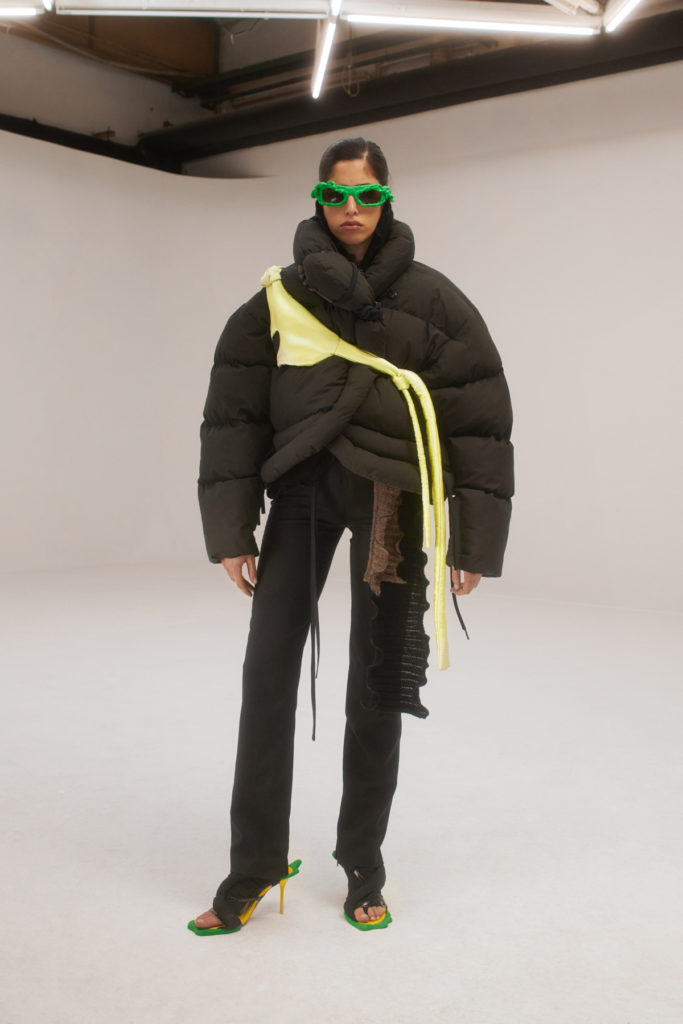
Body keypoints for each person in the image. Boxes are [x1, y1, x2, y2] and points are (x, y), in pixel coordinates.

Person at [190, 137, 514, 934]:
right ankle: (253, 867)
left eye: (366, 196)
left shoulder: (435, 301)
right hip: (300, 491)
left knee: (376, 682)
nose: (350, 210)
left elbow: (479, 420)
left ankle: (363, 866)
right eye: (335, 196)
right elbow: (232, 416)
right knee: (267, 672)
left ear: (387, 199)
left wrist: (473, 539)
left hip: (390, 503)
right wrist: (232, 529)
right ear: (317, 199)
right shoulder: (276, 297)